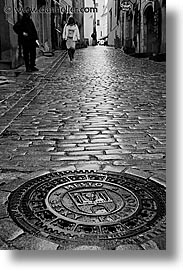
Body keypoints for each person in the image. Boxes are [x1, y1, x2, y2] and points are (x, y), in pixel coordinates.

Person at [13, 8, 39, 72]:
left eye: (30, 13)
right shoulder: (21, 21)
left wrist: (36, 38)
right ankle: (28, 67)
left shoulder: (30, 21)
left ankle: (32, 66)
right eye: (28, 13)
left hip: (32, 40)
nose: (29, 14)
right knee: (26, 54)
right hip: (25, 41)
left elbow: (34, 30)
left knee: (33, 54)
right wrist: (22, 33)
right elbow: (15, 27)